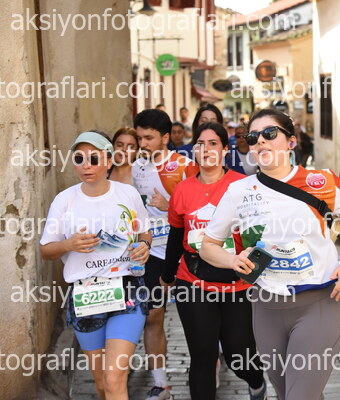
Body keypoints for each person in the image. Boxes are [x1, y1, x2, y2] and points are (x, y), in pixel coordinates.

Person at [200, 108, 340, 400]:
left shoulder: (321, 181)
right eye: (253, 137)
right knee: (287, 393)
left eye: (269, 134)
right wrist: (233, 260)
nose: (260, 141)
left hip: (317, 303)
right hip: (266, 307)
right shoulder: (238, 191)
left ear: (291, 142)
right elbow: (208, 246)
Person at [40, 130, 151, 399]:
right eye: (79, 159)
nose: (86, 165)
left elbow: (144, 232)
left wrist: (144, 247)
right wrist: (68, 245)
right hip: (86, 295)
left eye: (93, 158)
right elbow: (46, 250)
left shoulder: (128, 194)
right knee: (102, 382)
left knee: (114, 378)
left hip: (127, 290)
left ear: (109, 160)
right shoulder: (64, 200)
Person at [160, 122, 266, 400]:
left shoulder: (243, 185)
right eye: (200, 144)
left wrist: (255, 266)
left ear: (225, 149)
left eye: (213, 143)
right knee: (203, 354)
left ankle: (257, 383)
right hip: (193, 280)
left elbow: (259, 234)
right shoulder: (182, 190)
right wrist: (167, 276)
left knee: (238, 354)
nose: (205, 149)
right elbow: (176, 236)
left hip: (236, 283)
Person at [132, 109, 200, 400]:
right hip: (152, 253)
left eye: (149, 138)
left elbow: (201, 208)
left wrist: (169, 204)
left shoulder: (185, 165)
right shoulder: (135, 166)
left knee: (197, 319)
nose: (143, 143)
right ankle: (161, 384)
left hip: (184, 253)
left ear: (165, 137)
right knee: (153, 316)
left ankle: (208, 366)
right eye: (140, 137)